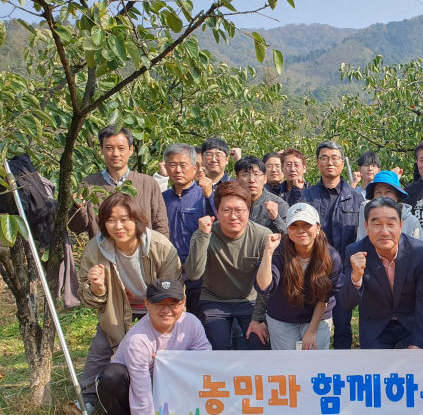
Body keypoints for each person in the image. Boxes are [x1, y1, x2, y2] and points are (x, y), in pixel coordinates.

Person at [77, 192, 181, 415]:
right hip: (118, 309)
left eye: (124, 219)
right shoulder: (96, 249)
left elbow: (173, 291)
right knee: (102, 348)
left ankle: (160, 401)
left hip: (157, 307)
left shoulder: (160, 246)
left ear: (137, 219)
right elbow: (86, 295)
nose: (118, 226)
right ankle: (87, 399)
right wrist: (98, 288)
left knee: (155, 355)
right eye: (111, 220)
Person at [95, 279, 211, 415]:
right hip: (133, 386)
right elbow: (141, 393)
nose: (166, 310)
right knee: (113, 375)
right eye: (159, 304)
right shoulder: (138, 340)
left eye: (173, 304)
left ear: (183, 303)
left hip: (169, 388)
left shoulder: (192, 323)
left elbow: (205, 360)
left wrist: (172, 361)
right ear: (147, 304)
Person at [184, 181, 271, 350]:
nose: (233, 216)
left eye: (239, 210)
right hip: (214, 300)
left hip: (250, 301)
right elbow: (193, 274)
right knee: (217, 346)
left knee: (257, 343)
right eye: (226, 210)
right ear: (216, 211)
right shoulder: (204, 234)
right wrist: (203, 236)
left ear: (248, 211)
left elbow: (266, 284)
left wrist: (258, 318)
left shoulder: (262, 235)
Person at [342, 197, 423, 349]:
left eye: (391, 224)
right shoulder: (355, 252)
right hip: (375, 327)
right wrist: (356, 277)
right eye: (377, 224)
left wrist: (419, 343)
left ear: (400, 225)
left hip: (411, 325)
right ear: (366, 226)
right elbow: (347, 303)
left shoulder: (420, 252)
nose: (384, 232)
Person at [303, 141, 365, 349]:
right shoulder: (306, 196)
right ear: (317, 163)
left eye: (334, 158)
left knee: (342, 325)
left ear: (342, 162)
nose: (330, 162)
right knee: (308, 323)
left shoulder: (357, 197)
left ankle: (340, 369)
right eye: (324, 158)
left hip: (344, 272)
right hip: (312, 269)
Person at [255, 203, 343, 350]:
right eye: (294, 225)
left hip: (318, 317)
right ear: (287, 229)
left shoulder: (330, 256)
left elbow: (325, 297)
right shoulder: (278, 252)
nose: (301, 230)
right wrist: (268, 252)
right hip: (282, 317)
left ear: (318, 228)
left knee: (315, 365)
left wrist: (312, 331)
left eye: (306, 225)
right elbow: (263, 287)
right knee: (286, 366)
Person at [69, 126, 169, 238]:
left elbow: (160, 224)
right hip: (103, 253)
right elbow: (77, 228)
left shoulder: (148, 184)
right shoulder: (89, 184)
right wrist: (77, 207)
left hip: (141, 254)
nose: (115, 153)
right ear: (101, 149)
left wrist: (161, 253)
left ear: (130, 150)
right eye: (109, 148)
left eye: (121, 148)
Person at [161, 143, 212, 314]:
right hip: (170, 270)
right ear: (166, 168)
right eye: (172, 165)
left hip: (200, 273)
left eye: (183, 165)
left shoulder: (203, 196)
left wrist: (210, 197)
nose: (177, 170)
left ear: (195, 167)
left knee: (199, 319)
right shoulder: (162, 199)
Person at [356, 171, 423, 241]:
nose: (383, 196)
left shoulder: (411, 221)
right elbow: (361, 243)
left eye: (388, 192)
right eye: (378, 192)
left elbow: (419, 249)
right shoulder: (368, 218)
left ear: (397, 196)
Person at [234, 156, 289, 234]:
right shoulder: (231, 203)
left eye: (256, 174)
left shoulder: (279, 204)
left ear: (265, 179)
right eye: (245, 175)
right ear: (237, 179)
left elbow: (288, 235)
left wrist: (275, 218)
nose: (251, 180)